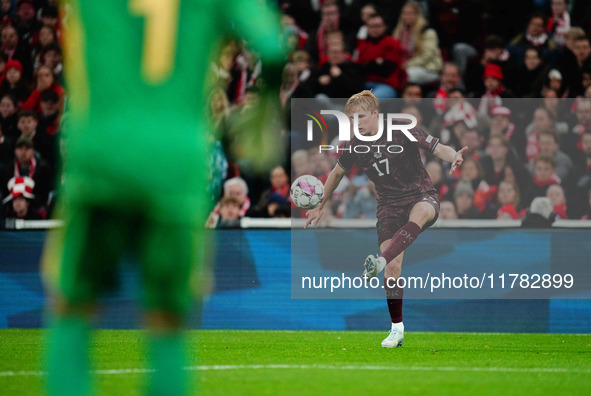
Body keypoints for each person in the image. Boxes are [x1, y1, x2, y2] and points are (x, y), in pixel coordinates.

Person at [41, 2, 285, 396]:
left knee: (72, 305)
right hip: (176, 160)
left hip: (101, 149)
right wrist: (264, 105)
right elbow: (273, 48)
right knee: (167, 319)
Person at [305, 90, 467, 348]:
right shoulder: (354, 144)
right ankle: (396, 329)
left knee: (422, 213)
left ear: (376, 115)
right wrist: (318, 206)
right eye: (352, 118)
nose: (356, 122)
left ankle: (379, 261)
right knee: (394, 268)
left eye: (361, 116)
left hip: (420, 194)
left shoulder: (403, 128)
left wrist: (454, 155)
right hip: (388, 206)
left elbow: (437, 148)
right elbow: (336, 175)